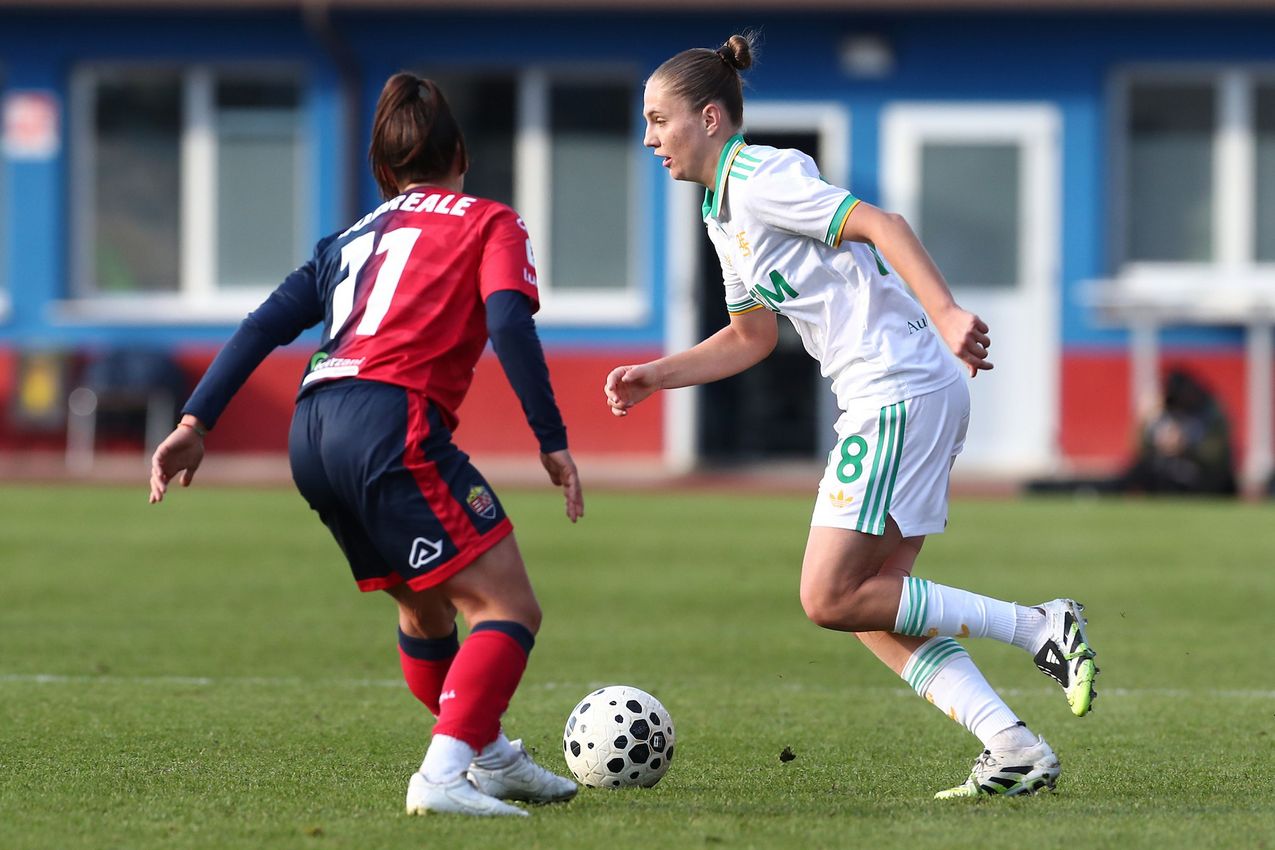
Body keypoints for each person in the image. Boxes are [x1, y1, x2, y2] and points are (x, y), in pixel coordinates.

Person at [605, 34, 1099, 798]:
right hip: (896, 390)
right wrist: (654, 376)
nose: (648, 139)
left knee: (826, 596)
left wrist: (945, 312)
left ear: (707, 117)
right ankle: (1012, 746)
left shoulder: (761, 176)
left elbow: (882, 223)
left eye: (657, 119)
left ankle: (1038, 625)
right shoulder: (720, 208)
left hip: (894, 387)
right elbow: (751, 336)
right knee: (870, 608)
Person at [149, 72, 582, 818]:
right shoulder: (489, 221)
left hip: (311, 428)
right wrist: (552, 439)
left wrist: (194, 424)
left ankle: (487, 755)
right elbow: (508, 322)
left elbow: (262, 325)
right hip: (390, 420)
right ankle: (442, 776)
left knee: (425, 613)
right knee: (507, 607)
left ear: (382, 170)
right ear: (461, 153)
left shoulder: (351, 236)